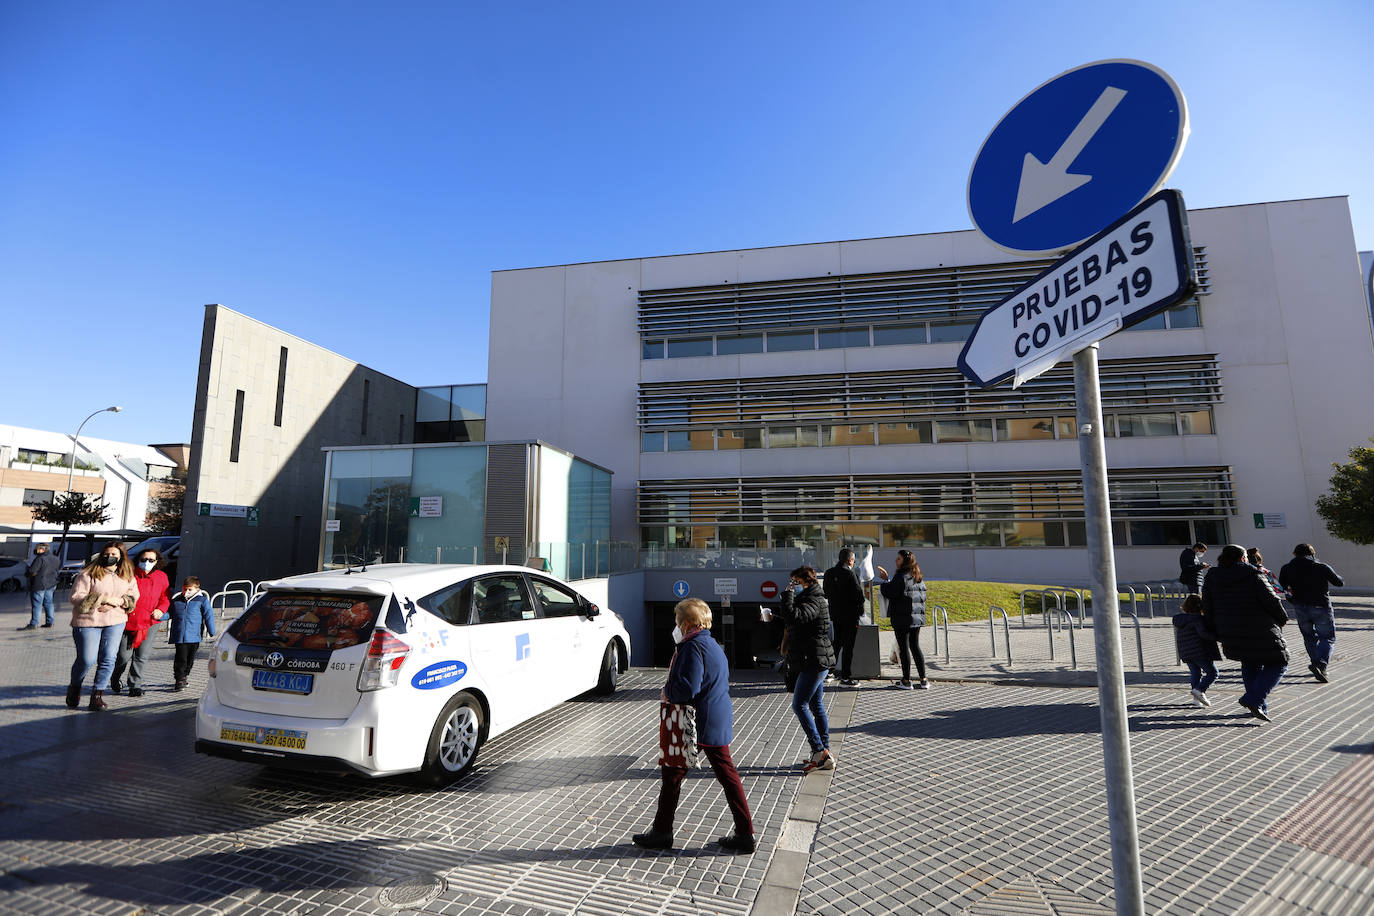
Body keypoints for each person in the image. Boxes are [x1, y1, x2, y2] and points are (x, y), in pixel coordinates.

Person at [632, 598, 755, 853]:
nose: (676, 626)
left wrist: (667, 691)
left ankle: (662, 833)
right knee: (725, 776)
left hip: (697, 721)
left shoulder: (691, 647)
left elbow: (688, 687)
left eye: (678, 621)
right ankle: (744, 833)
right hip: (715, 717)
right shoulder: (711, 644)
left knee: (673, 775)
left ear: (686, 623)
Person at [1202, 544, 1289, 722]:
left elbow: (1207, 605)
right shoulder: (1254, 575)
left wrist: (1213, 628)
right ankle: (1253, 699)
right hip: (1261, 628)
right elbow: (1272, 600)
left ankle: (1257, 706)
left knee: (1250, 663)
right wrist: (1282, 619)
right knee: (1280, 662)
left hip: (1229, 629)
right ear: (1243, 558)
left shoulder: (1212, 577)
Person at [67, 543, 139, 710]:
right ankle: (74, 687)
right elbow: (76, 597)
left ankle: (97, 695)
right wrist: (103, 599)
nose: (109, 556)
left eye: (114, 553)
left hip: (115, 621)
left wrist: (119, 602)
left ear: (121, 556)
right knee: (87, 659)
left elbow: (133, 595)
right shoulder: (88, 573)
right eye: (106, 553)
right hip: (88, 622)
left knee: (108, 658)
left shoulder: (126, 575)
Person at [778, 565, 836, 772]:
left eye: (795, 582)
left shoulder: (814, 599)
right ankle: (824, 754)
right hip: (813, 658)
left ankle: (820, 750)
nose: (792, 586)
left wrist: (788, 595)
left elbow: (796, 617)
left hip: (814, 660)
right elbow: (799, 621)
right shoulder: (810, 598)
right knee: (816, 706)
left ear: (805, 581)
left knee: (799, 705)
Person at [1278, 543, 1344, 683]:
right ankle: (1320, 664)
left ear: (1294, 554)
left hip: (1300, 607)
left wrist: (1292, 598)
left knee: (1309, 637)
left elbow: (1282, 586)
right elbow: (1339, 583)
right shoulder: (1321, 567)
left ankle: (1316, 663)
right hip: (1321, 606)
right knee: (1327, 637)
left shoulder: (1287, 568)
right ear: (1312, 554)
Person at [111, 547, 170, 697]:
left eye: (151, 560)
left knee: (141, 656)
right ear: (138, 560)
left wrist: (161, 610)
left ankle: (135, 685)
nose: (147, 562)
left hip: (149, 622)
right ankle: (115, 677)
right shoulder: (129, 575)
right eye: (144, 559)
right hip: (128, 621)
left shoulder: (161, 576)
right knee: (123, 656)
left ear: (157, 561)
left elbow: (165, 597)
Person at [876, 549, 929, 689]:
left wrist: (884, 583)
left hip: (902, 617)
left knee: (904, 648)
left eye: (898, 559)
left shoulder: (901, 576)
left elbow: (891, 592)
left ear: (904, 561)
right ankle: (924, 679)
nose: (895, 561)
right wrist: (888, 580)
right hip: (916, 618)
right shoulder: (917, 575)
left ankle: (906, 680)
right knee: (915, 646)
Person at [823, 548, 865, 686]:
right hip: (851, 616)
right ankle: (846, 677)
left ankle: (829, 672)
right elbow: (859, 596)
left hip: (836, 614)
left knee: (837, 642)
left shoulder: (829, 573)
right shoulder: (850, 574)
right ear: (849, 560)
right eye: (853, 560)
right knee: (848, 645)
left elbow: (826, 593)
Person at [1172, 593, 1221, 707]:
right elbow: (1203, 634)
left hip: (1185, 651)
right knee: (1213, 673)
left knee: (1195, 673)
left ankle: (1196, 699)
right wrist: (1217, 637)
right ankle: (1200, 690)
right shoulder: (1198, 619)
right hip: (1200, 651)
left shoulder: (1181, 620)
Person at [168, 576, 216, 690]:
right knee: (181, 658)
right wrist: (156, 617)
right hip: (180, 636)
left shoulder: (202, 600)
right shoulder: (177, 600)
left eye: (190, 589)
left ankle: (185, 675)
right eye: (184, 589)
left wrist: (211, 631)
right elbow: (169, 613)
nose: (186, 592)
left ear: (197, 588)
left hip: (194, 636)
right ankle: (179, 678)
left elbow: (208, 616)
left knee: (190, 658)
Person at [20, 542, 61, 630]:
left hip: (39, 584)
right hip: (51, 584)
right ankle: (50, 622)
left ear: (43, 549)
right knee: (49, 603)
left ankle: (34, 623)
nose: (35, 550)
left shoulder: (40, 559)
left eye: (37, 548)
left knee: (37, 604)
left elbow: (32, 571)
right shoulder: (56, 558)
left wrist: (28, 573)